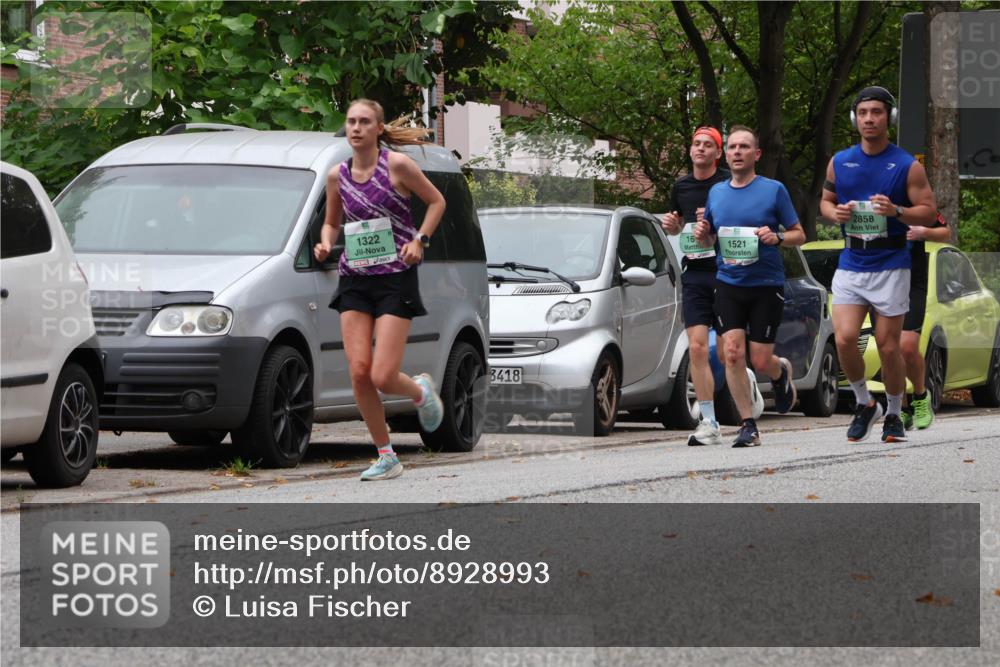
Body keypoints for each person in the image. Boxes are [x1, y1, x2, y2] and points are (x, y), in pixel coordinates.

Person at [314, 99, 446, 481]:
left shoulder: (397, 166)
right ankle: (386, 454)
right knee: (358, 372)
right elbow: (331, 223)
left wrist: (420, 240)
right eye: (351, 121)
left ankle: (419, 390)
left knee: (382, 375)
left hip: (395, 277)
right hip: (354, 277)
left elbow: (437, 201)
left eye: (364, 122)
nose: (356, 128)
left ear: (378, 128)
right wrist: (325, 243)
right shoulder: (336, 175)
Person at [819, 86, 937, 444]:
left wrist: (897, 210)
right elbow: (825, 202)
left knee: (888, 347)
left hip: (892, 263)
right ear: (856, 118)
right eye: (864, 113)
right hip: (853, 261)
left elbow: (929, 212)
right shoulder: (840, 161)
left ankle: (894, 412)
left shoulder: (906, 165)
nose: (870, 119)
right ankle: (863, 402)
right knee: (845, 339)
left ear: (889, 118)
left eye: (877, 112)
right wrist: (834, 213)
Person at [694, 125, 804, 447]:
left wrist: (778, 237)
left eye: (744, 147)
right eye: (732, 148)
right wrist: (704, 234)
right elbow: (712, 235)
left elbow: (799, 233)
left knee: (759, 359)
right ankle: (747, 424)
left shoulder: (773, 190)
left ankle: (780, 372)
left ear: (756, 154)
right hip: (728, 282)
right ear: (726, 155)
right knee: (732, 353)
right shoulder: (716, 192)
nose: (737, 152)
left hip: (766, 284)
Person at [661, 127, 731, 446]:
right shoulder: (682, 186)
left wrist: (715, 228)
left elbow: (743, 224)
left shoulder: (728, 184)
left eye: (708, 145)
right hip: (695, 273)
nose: (700, 149)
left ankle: (755, 395)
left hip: (729, 271)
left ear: (718, 153)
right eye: (696, 144)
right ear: (690, 150)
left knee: (734, 350)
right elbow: (679, 225)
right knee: (698, 347)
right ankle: (709, 421)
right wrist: (674, 227)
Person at [899, 212, 950, 430]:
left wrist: (924, 232)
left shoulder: (915, 201)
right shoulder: (867, 195)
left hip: (911, 282)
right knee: (889, 349)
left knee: (908, 347)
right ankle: (899, 409)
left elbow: (945, 231)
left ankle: (920, 396)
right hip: (878, 279)